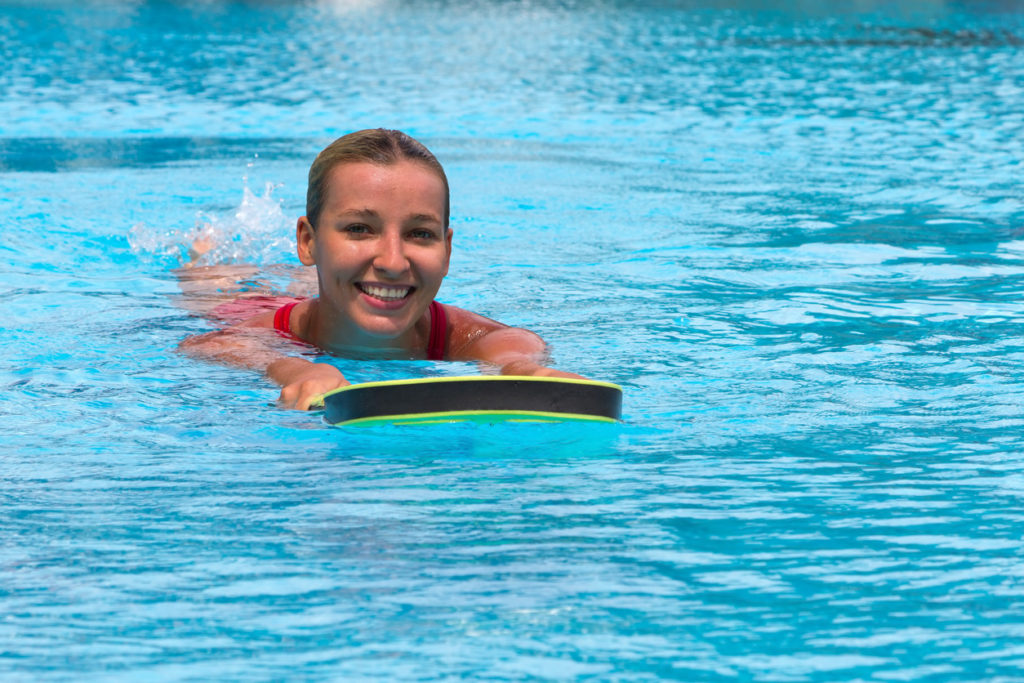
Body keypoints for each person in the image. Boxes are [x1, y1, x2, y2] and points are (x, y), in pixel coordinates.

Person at [180, 128, 582, 410]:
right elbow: (208, 346)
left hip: (338, 287)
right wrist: (295, 368)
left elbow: (513, 350)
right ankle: (205, 253)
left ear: (447, 249)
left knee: (349, 278)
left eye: (420, 234)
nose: (393, 261)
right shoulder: (263, 334)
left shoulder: (465, 338)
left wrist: (523, 371)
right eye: (359, 228)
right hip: (248, 306)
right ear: (307, 241)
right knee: (211, 281)